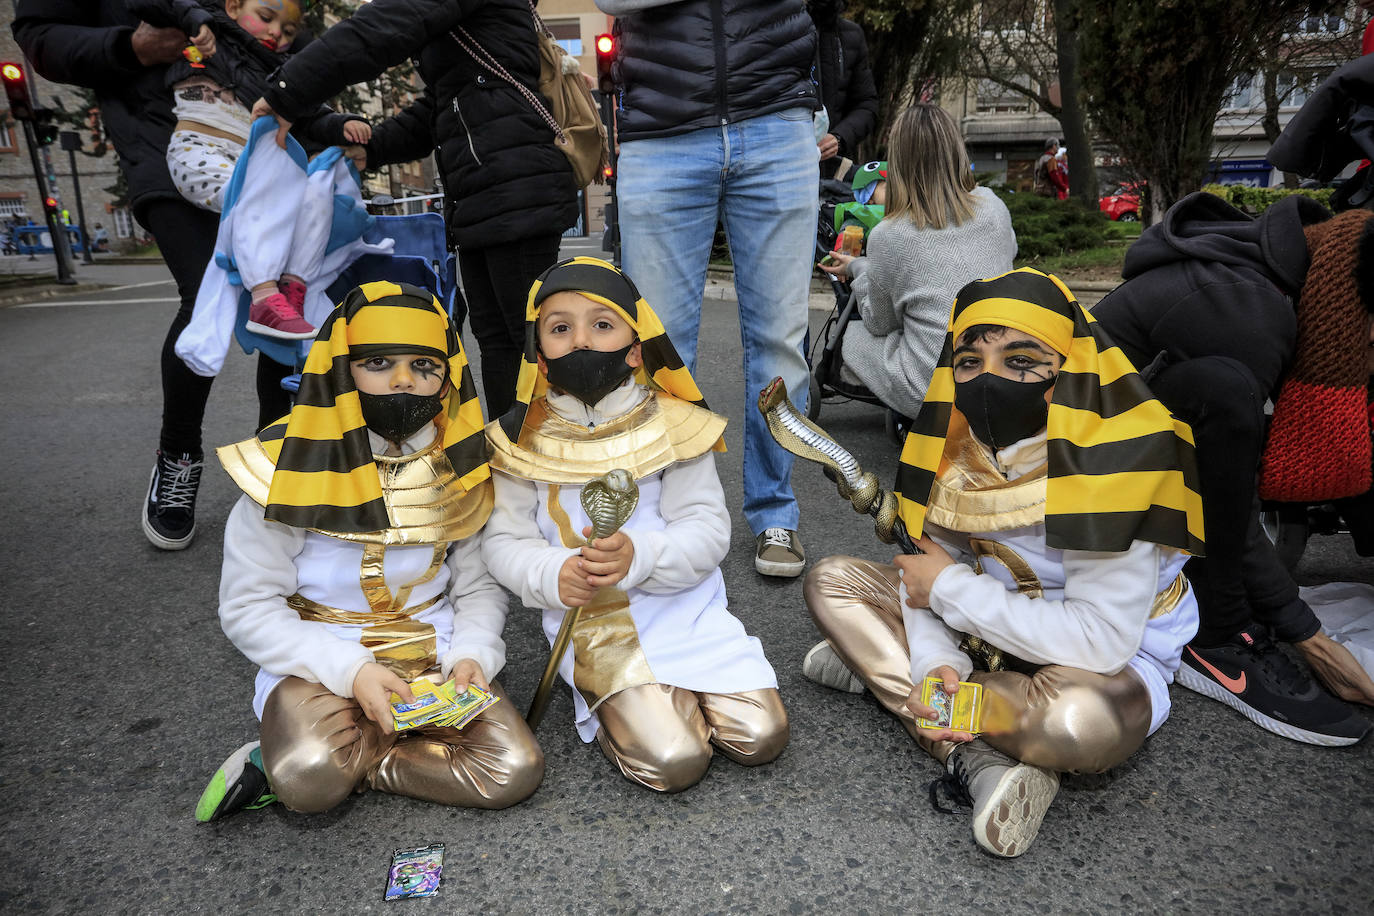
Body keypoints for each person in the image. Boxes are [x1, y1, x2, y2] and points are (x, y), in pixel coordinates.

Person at [802, 268, 1206, 857]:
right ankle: (977, 753)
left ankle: (880, 674)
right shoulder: (957, 451)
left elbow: (1101, 641)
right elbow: (927, 573)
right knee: (831, 582)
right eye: (969, 362)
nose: (989, 379)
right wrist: (937, 661)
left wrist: (945, 590)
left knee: (1077, 724)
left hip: (1103, 661)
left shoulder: (1123, 452)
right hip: (983, 635)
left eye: (1021, 361)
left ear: (1070, 364)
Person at [195, 280, 544, 822]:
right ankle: (305, 758)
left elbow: (477, 586)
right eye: (378, 361)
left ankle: (326, 759)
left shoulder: (460, 463)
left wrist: (473, 654)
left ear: (449, 373)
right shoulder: (284, 466)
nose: (404, 380)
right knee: (311, 776)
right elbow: (248, 607)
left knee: (512, 771)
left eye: (425, 365)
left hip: (436, 655)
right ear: (341, 367)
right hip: (318, 658)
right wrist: (350, 670)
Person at [482, 257, 788, 793]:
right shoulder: (516, 440)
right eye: (560, 328)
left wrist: (639, 556)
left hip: (688, 611)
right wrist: (553, 572)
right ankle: (632, 711)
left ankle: (675, 696)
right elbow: (505, 541)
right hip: (597, 626)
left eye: (602, 324)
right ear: (540, 355)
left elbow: (708, 527)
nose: (581, 340)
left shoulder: (676, 423)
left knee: (763, 736)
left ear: (635, 344)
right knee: (674, 761)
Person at [1092, 191, 1374, 746]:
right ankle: (1217, 633)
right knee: (1227, 393)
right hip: (1058, 482)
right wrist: (1310, 638)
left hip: (1120, 451)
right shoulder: (1250, 310)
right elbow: (1233, 503)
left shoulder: (1313, 270)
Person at [13, 0, 295, 551]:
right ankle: (179, 455)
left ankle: (276, 456)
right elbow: (39, 33)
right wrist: (128, 46)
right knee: (204, 292)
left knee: (282, 301)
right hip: (166, 140)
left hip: (260, 149)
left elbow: (280, 49)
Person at [247, 0, 577, 420]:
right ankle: (512, 456)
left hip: (515, 186)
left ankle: (557, 462)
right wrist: (374, 148)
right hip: (481, 195)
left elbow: (379, 32)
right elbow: (440, 109)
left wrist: (286, 91)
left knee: (529, 341)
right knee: (499, 341)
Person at [596, 0, 819, 578]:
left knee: (780, 344)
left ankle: (776, 512)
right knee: (657, 349)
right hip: (661, 129)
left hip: (776, 116)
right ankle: (665, 515)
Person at [126, 0, 373, 340]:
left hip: (249, 162)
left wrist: (341, 124)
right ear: (232, 7)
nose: (276, 33)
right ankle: (263, 297)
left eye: (288, 31)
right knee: (256, 200)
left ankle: (294, 288)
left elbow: (311, 113)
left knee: (313, 201)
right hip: (199, 150)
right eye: (266, 18)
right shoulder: (205, 30)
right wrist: (194, 17)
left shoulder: (281, 71)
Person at [819, 105, 1016, 421]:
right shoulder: (994, 206)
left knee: (854, 339)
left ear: (896, 164)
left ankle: (909, 406)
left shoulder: (889, 234)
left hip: (939, 391)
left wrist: (858, 267)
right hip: (1003, 376)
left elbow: (879, 321)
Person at [807, 0, 878, 177]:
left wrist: (839, 138)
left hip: (834, 172)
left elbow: (867, 105)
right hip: (784, 168)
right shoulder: (780, 31)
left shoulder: (851, 35)